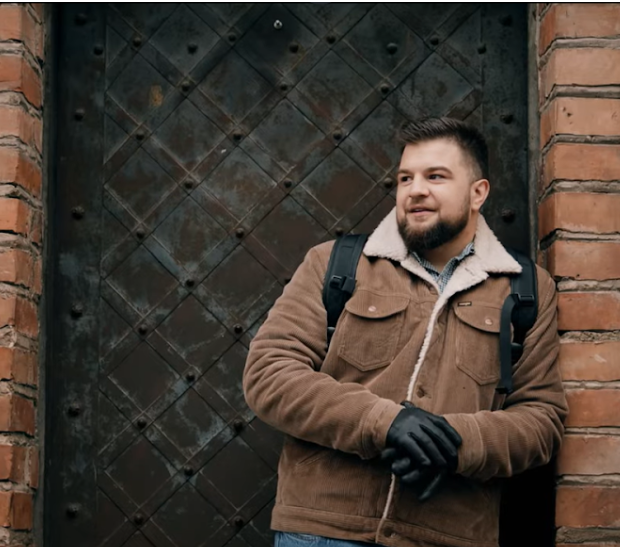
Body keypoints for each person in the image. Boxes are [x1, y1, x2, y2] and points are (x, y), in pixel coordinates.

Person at [243, 118, 567, 547]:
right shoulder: (335, 264)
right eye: (405, 178)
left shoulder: (526, 289)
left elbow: (542, 420)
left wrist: (456, 444)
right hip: (324, 533)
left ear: (478, 193)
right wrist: (387, 422)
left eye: (435, 176)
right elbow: (270, 375)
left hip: (449, 534)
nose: (415, 189)